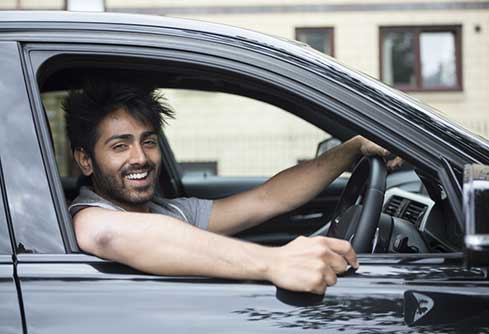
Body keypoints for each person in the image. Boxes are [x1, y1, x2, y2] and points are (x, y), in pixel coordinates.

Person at [64, 80, 396, 295]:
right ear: (86, 160)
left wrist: (351, 150)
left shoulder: (172, 211)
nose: (140, 157)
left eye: (148, 142)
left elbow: (267, 199)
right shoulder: (87, 216)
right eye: (120, 146)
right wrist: (273, 262)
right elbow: (114, 234)